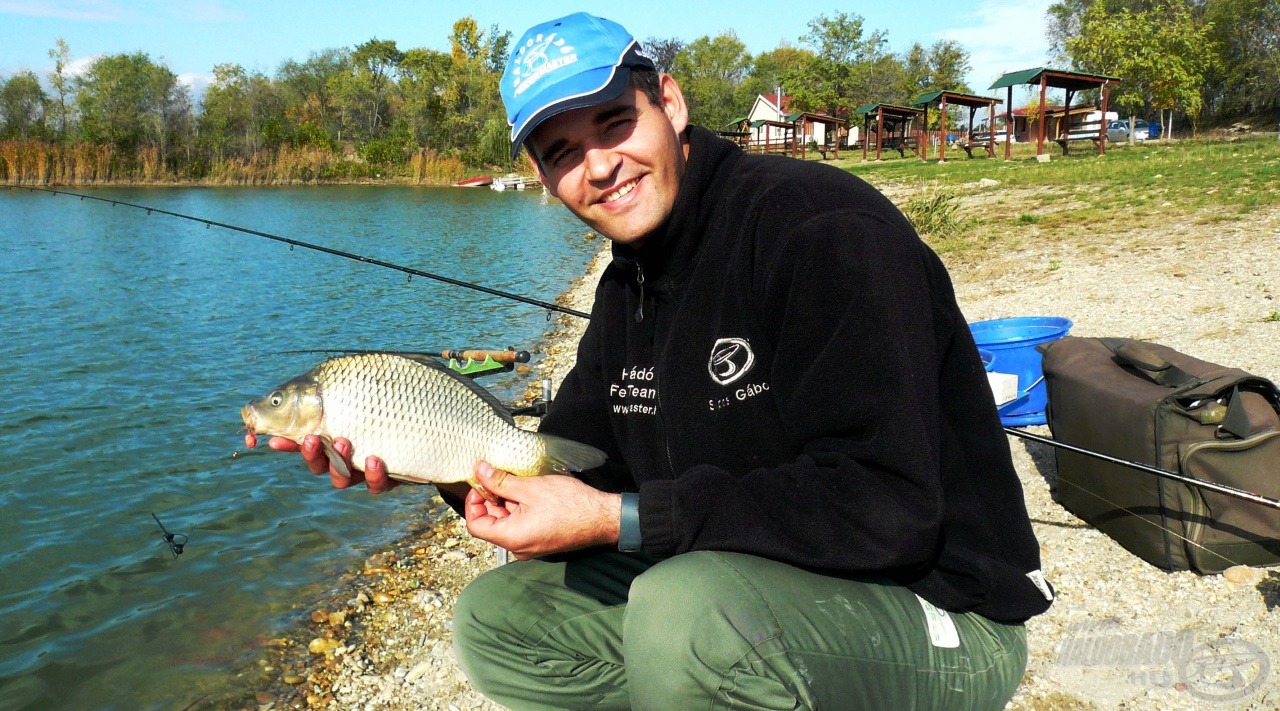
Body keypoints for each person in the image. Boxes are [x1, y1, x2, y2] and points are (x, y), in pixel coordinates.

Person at [272, 12, 1054, 709]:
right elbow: (573, 468)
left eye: (614, 123)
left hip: (938, 600)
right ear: (546, 179)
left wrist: (621, 518)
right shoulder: (628, 285)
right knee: (497, 619)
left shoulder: (818, 229)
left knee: (684, 616)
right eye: (563, 153)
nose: (599, 165)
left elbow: (888, 503)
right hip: (748, 573)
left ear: (670, 104)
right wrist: (434, 461)